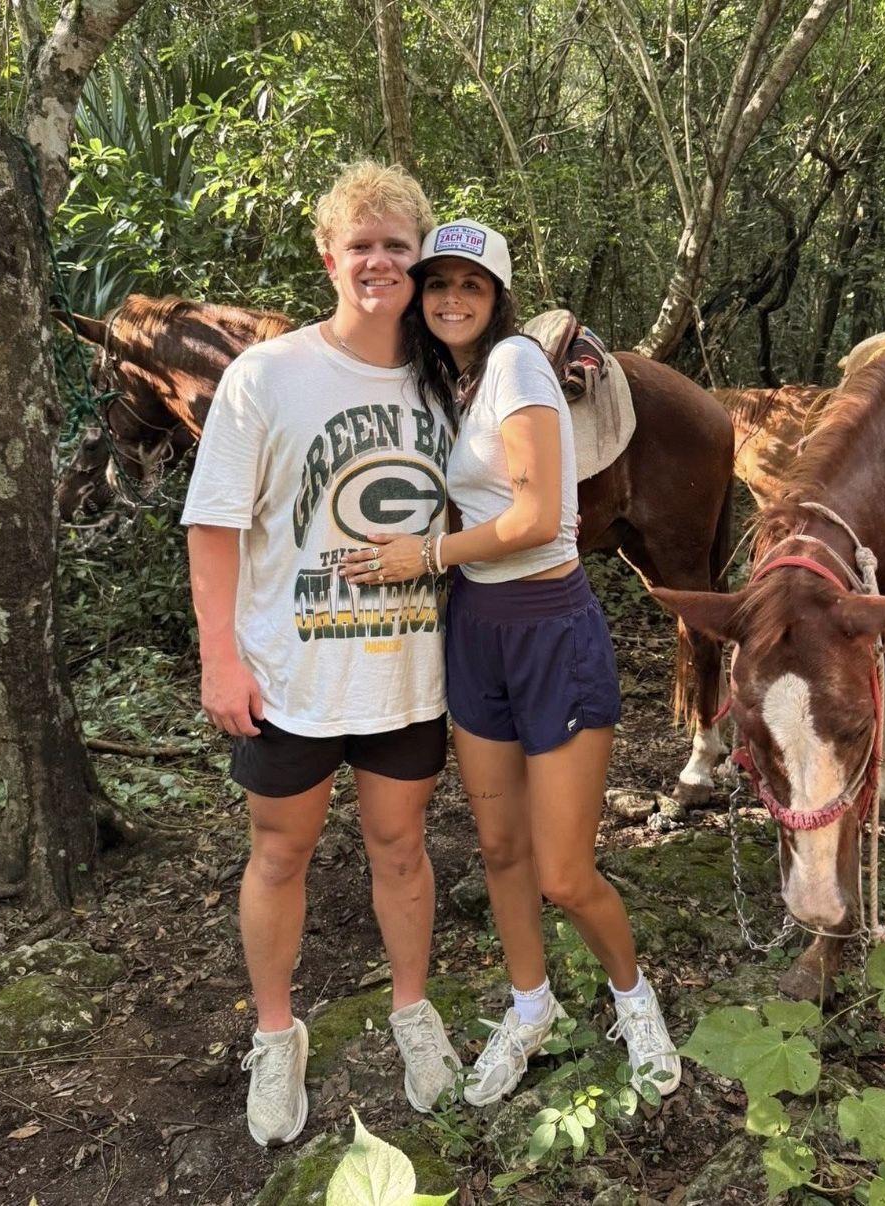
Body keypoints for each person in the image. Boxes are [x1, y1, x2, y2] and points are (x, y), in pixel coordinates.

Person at [341, 219, 682, 1107]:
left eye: (472, 285)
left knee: (564, 871)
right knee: (498, 848)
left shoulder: (519, 366)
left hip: (546, 625)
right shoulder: (450, 383)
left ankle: (633, 1000)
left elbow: (535, 519)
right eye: (440, 283)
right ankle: (531, 1007)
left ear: (498, 300)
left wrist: (430, 557)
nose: (453, 298)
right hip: (476, 631)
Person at [181, 163, 461, 1147]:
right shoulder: (270, 375)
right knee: (280, 852)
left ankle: (412, 1012)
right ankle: (274, 1034)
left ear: (420, 254)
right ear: (328, 254)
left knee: (401, 850)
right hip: (290, 676)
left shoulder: (445, 377)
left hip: (406, 674)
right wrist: (221, 657)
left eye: (397, 243)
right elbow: (213, 526)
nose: (379, 261)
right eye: (362, 244)